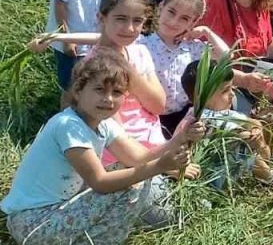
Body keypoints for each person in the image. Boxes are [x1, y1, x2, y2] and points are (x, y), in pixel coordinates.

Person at [1, 52, 202, 245]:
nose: (108, 99)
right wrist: (159, 166)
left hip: (58, 212)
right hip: (33, 223)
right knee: (132, 186)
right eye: (99, 90)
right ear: (78, 91)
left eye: (116, 92)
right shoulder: (69, 125)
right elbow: (100, 182)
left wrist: (180, 138)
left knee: (128, 172)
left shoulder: (103, 124)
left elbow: (138, 158)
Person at [33, 0, 168, 166]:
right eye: (121, 19)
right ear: (101, 17)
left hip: (155, 143)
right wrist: (163, 165)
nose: (129, 28)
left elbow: (158, 106)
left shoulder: (140, 51)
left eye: (137, 21)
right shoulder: (95, 67)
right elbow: (117, 138)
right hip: (123, 157)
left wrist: (124, 65)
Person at [180, 61, 273, 188]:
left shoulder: (224, 114)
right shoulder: (197, 120)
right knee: (243, 137)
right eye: (225, 91)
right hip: (208, 180)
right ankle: (270, 176)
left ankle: (269, 175)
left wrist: (258, 136)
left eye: (232, 87)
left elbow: (256, 132)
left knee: (249, 140)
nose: (232, 94)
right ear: (200, 97)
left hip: (227, 176)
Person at [138, 0, 230, 136]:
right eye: (171, 12)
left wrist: (206, 32)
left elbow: (226, 56)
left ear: (193, 23)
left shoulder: (192, 48)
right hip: (149, 117)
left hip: (184, 117)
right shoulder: (141, 43)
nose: (174, 21)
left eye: (184, 19)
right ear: (161, 8)